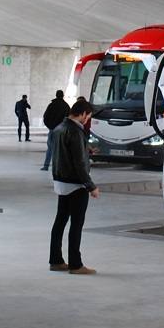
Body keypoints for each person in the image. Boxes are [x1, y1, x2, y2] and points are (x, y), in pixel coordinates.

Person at [49, 98, 100, 274]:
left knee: (60, 221)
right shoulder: (76, 131)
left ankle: (55, 261)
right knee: (76, 224)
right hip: (76, 184)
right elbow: (78, 162)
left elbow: (64, 152)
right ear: (83, 114)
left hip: (60, 181)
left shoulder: (59, 128)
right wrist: (90, 186)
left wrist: (86, 150)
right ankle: (75, 264)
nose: (87, 121)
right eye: (88, 117)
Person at [40, 89, 71, 171]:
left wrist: (50, 127)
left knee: (50, 148)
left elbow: (45, 117)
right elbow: (69, 119)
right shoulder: (66, 106)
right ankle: (58, 167)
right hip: (62, 131)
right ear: (63, 96)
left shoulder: (51, 105)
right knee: (61, 149)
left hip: (52, 129)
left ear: (56, 95)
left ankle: (46, 166)